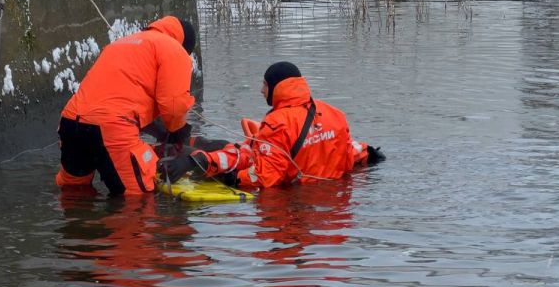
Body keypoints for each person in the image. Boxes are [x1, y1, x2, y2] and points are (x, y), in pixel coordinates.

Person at [160, 61, 384, 187]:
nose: (261, 90)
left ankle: (193, 155)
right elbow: (348, 151)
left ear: (278, 87)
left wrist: (231, 178)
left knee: (225, 148)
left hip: (294, 206)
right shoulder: (333, 114)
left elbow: (264, 175)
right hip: (334, 209)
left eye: (265, 85)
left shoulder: (278, 124)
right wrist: (369, 152)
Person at [55, 15, 197, 195]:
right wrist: (177, 131)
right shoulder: (173, 49)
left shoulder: (121, 43)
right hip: (112, 129)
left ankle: (77, 222)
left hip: (71, 123)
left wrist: (160, 133)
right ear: (185, 46)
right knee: (138, 203)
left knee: (74, 193)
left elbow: (119, 100)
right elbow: (174, 105)